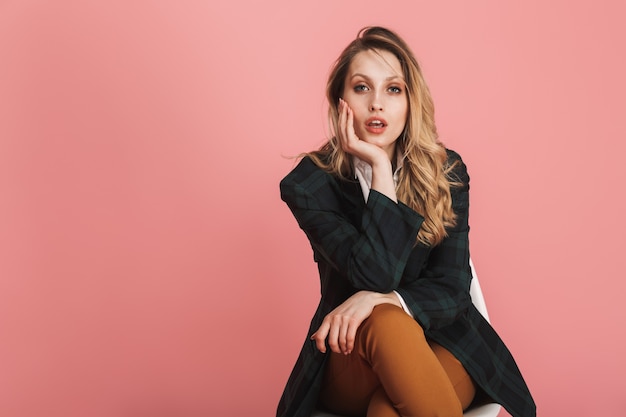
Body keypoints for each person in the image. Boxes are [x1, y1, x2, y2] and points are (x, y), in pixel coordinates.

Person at [277, 26, 535, 417]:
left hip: (446, 341)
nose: (377, 103)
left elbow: (452, 287)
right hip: (352, 354)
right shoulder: (311, 184)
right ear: (340, 100)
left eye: (393, 89)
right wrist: (381, 167)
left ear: (411, 101)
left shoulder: (446, 171)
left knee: (387, 410)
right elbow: (374, 275)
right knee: (385, 323)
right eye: (362, 88)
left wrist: (390, 300)